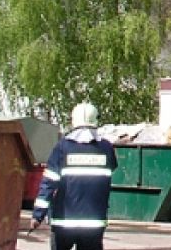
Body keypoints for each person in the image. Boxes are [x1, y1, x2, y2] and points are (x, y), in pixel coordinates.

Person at [30, 102, 118, 250]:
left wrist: (37, 215)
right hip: (94, 224)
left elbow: (48, 184)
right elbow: (113, 167)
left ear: (73, 121)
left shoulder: (62, 148)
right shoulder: (106, 148)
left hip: (64, 223)